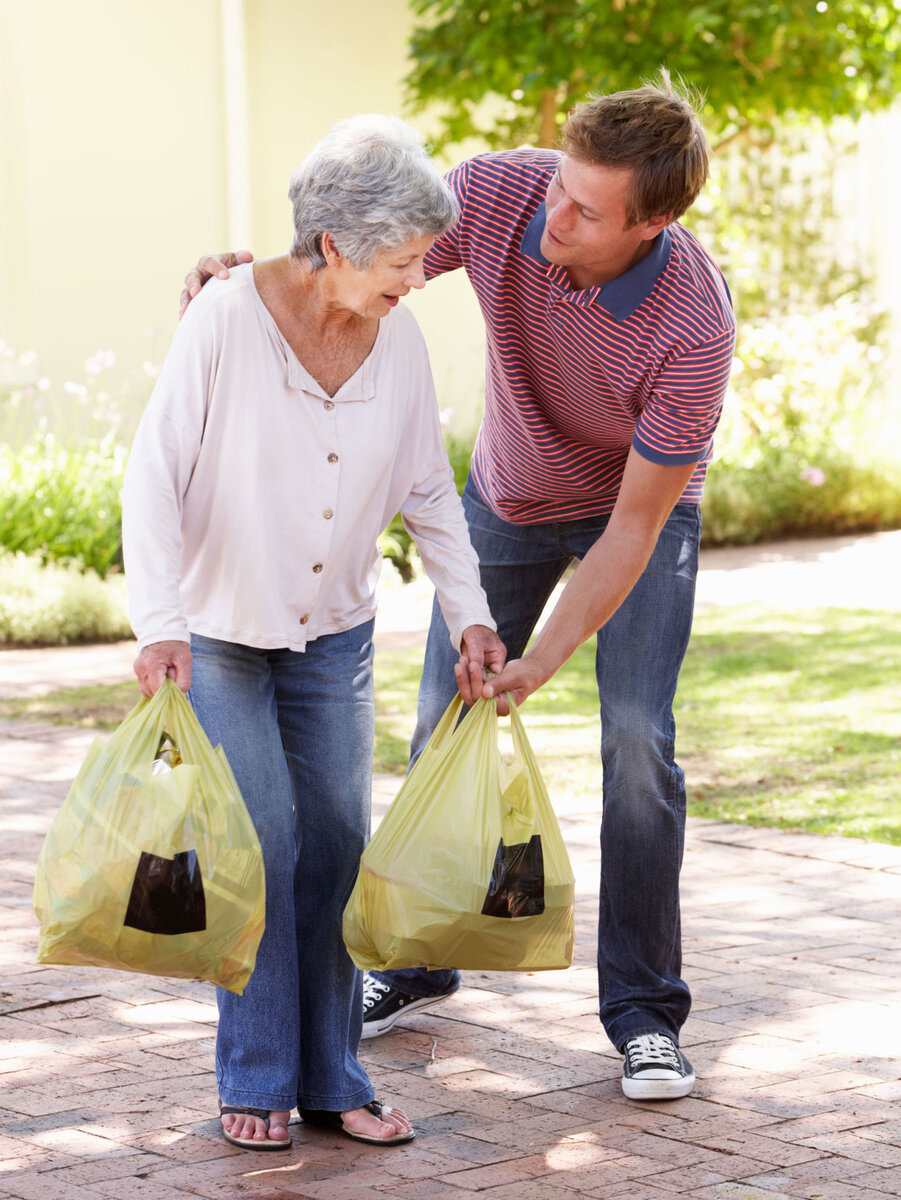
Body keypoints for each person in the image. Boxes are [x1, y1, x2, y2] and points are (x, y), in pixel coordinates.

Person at [181, 73, 736, 1103]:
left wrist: (541, 658)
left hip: (635, 515)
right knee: (441, 722)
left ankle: (644, 1012)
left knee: (633, 739)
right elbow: (353, 262)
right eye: (558, 185)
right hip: (509, 497)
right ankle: (418, 957)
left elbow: (629, 529)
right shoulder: (499, 193)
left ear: (651, 221)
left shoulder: (693, 325)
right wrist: (253, 283)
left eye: (585, 208)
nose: (552, 214)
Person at [123, 114, 504, 1151]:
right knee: (264, 843)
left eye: (424, 256)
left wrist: (470, 615)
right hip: (219, 633)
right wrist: (157, 623)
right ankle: (256, 1075)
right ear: (331, 246)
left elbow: (429, 489)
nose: (418, 278)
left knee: (337, 846)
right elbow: (153, 475)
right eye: (401, 259)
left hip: (332, 634)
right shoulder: (224, 321)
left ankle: (334, 1075)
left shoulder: (400, 340)